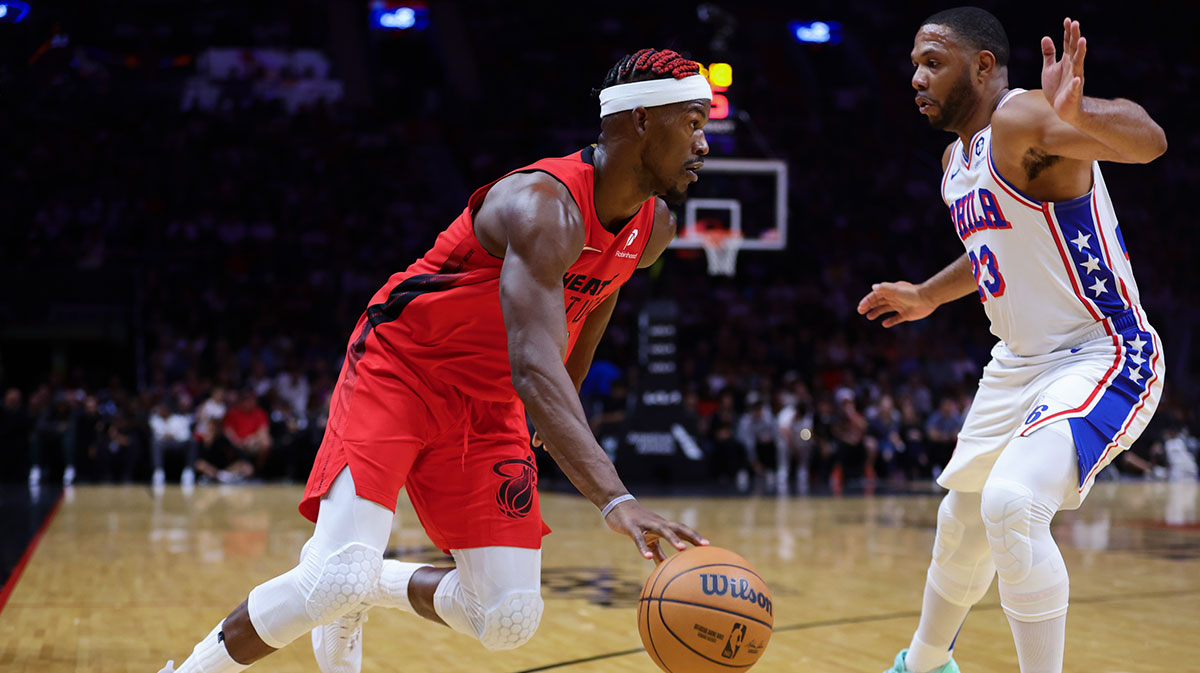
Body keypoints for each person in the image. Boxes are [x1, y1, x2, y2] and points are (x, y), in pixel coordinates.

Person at [158, 47, 711, 673]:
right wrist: (615, 498)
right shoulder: (542, 206)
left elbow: (593, 306)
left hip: (492, 400)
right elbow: (534, 366)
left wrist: (560, 416)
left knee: (506, 617)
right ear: (640, 121)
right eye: (693, 121)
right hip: (404, 369)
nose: (704, 143)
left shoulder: (654, 227)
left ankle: (366, 586)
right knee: (330, 577)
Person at [858, 8, 1166, 673]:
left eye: (933, 62)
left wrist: (1081, 114)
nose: (917, 76)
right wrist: (926, 295)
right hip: (1017, 365)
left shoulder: (1022, 117)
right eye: (915, 63)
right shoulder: (955, 161)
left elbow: (1149, 141)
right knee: (963, 517)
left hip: (1102, 349)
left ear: (985, 66)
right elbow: (989, 249)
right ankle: (927, 663)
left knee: (1013, 502)